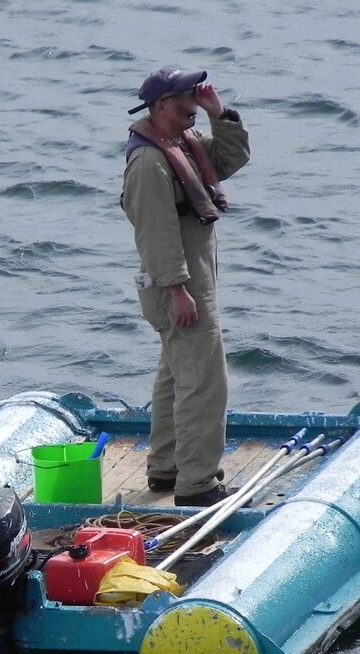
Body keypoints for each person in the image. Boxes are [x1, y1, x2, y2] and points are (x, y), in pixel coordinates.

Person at [122, 66, 250, 507]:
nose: (191, 110)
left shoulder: (183, 145)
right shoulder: (148, 162)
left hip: (189, 282)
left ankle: (167, 467)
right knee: (204, 382)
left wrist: (221, 114)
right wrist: (178, 289)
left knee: (178, 373)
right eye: (184, 104)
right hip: (178, 285)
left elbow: (231, 158)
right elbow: (154, 233)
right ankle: (197, 485)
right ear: (159, 107)